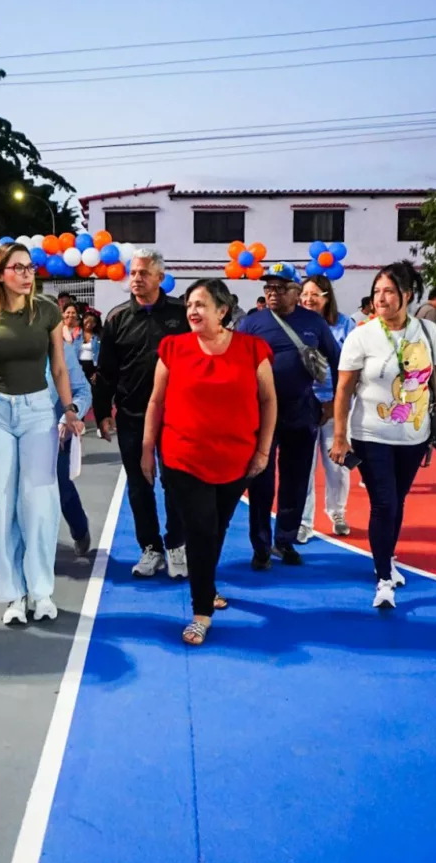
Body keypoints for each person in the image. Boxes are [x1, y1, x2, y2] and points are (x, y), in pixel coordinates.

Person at [141, 279, 277, 644]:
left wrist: (263, 452)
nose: (192, 311)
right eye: (188, 305)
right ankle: (202, 610)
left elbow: (268, 401)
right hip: (184, 458)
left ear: (223, 310)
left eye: (200, 304)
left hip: (237, 460)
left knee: (216, 528)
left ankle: (207, 583)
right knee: (201, 530)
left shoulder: (253, 349)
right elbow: (156, 402)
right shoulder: (173, 347)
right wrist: (146, 449)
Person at [0, 243, 83, 625]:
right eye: (19, 268)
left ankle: (41, 591)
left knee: (39, 504)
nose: (28, 274)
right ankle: (14, 595)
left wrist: (71, 410)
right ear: (0, 274)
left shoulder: (47, 311)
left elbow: (59, 368)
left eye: (30, 268)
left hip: (37, 413)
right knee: (1, 503)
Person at [330, 260, 436, 609]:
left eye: (388, 291)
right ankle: (383, 576)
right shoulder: (362, 335)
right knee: (383, 502)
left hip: (413, 437)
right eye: (376, 292)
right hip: (371, 435)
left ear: (407, 295)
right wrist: (339, 437)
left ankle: (387, 558)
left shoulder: (427, 332)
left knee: (397, 502)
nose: (381, 298)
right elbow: (343, 390)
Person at [93, 249, 189, 579]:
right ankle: (150, 549)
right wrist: (104, 412)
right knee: (139, 485)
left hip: (177, 416)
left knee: (175, 484)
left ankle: (177, 545)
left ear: (160, 277)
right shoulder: (117, 318)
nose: (136, 279)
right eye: (133, 273)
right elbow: (105, 372)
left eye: (143, 273)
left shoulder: (182, 314)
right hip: (132, 416)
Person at [238, 263, 340, 569]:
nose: (272, 294)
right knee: (261, 480)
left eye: (280, 289)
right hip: (260, 415)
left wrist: (331, 403)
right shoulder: (252, 323)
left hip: (301, 411)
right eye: (268, 288)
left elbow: (337, 361)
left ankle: (285, 539)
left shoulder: (314, 323)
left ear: (296, 293)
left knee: (295, 480)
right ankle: (260, 545)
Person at [298, 276, 356, 542]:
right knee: (302, 466)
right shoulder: (295, 323)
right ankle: (303, 521)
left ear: (327, 296)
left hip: (337, 405)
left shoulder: (345, 325)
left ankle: (338, 512)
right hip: (303, 405)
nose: (308, 299)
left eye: (314, 294)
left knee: (337, 464)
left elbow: (352, 369)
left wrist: (335, 403)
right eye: (304, 294)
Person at [46, 318, 93, 556]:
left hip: (55, 423)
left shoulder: (61, 349)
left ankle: (79, 528)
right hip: (15, 426)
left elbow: (83, 390)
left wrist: (69, 414)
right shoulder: (4, 344)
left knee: (60, 487)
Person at [77, 309, 102, 381]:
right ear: (83, 320)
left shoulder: (98, 337)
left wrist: (97, 372)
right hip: (78, 366)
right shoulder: (76, 334)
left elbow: (101, 355)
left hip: (92, 367)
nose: (89, 324)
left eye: (92, 322)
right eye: (87, 321)